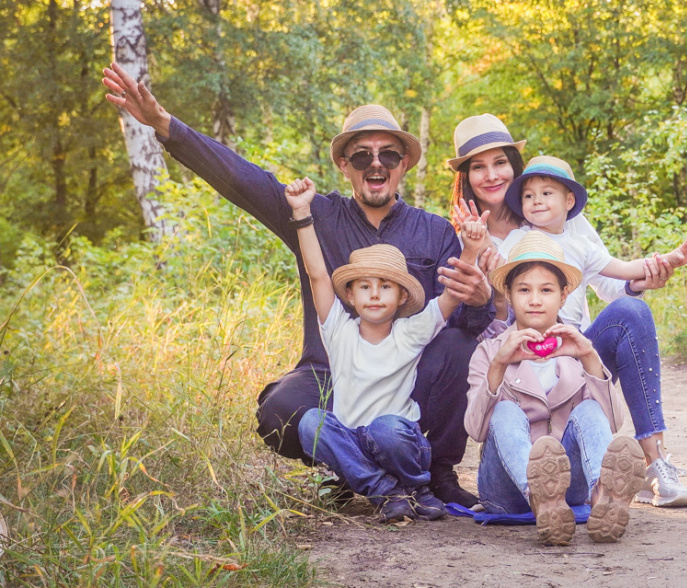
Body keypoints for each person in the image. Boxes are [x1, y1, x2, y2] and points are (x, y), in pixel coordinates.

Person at [102, 62, 492, 506]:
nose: (376, 163)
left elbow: (459, 314)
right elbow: (242, 179)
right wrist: (165, 126)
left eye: (388, 154)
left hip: (403, 372)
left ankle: (437, 473)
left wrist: (480, 300)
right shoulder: (316, 215)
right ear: (345, 165)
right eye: (362, 155)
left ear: (403, 164)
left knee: (460, 343)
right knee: (280, 412)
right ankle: (354, 469)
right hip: (329, 371)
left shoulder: (435, 231)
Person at [449, 115, 687, 508]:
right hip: (515, 365)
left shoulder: (566, 221)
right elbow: (474, 325)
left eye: (500, 163)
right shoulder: (464, 236)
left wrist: (646, 276)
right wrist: (481, 270)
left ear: (514, 166)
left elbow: (610, 280)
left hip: (569, 358)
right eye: (478, 166)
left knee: (631, 312)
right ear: (465, 176)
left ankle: (654, 462)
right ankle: (532, 482)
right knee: (509, 412)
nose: (492, 175)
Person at [285, 176, 488, 521]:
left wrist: (470, 249)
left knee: (386, 428)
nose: (375, 294)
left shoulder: (410, 332)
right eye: (364, 286)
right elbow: (317, 274)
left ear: (402, 296)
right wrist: (302, 212)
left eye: (385, 287)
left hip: (400, 442)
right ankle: (387, 491)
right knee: (310, 423)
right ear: (350, 296)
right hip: (354, 446)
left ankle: (417, 486)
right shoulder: (338, 330)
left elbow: (453, 294)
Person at [465, 231, 646, 545]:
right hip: (504, 489)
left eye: (546, 290)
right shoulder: (489, 351)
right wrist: (499, 363)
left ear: (563, 296)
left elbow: (612, 422)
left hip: (569, 490)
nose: (535, 299)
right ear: (507, 294)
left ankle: (605, 495)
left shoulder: (576, 349)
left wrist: (589, 356)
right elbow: (475, 429)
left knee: (589, 408)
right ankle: (538, 498)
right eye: (524, 290)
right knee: (505, 409)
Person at [499, 155, 687, 329]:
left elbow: (624, 269)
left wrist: (668, 259)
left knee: (631, 312)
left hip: (573, 335)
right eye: (528, 196)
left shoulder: (581, 244)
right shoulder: (519, 239)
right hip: (527, 333)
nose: (536, 200)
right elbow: (495, 271)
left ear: (569, 201)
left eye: (546, 193)